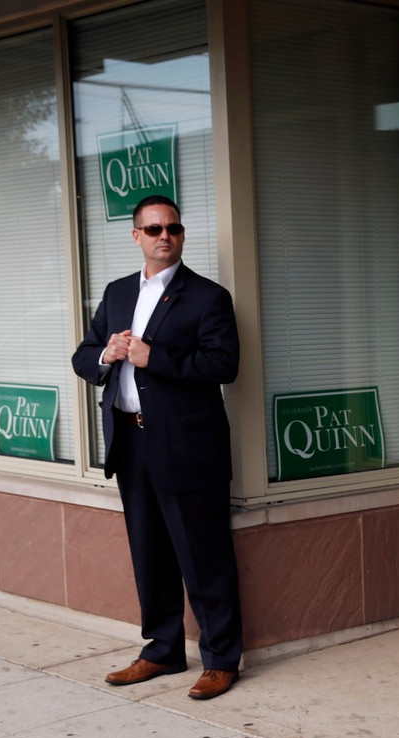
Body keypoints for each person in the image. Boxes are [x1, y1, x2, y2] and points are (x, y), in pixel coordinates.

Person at [72, 195, 244, 700]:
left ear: (182, 235)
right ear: (136, 237)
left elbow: (223, 366)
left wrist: (154, 356)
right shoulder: (117, 292)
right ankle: (162, 649)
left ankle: (220, 660)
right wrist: (109, 352)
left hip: (188, 446)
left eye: (171, 228)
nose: (163, 236)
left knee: (203, 554)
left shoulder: (208, 297)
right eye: (152, 229)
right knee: (150, 552)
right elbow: (84, 357)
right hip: (132, 441)